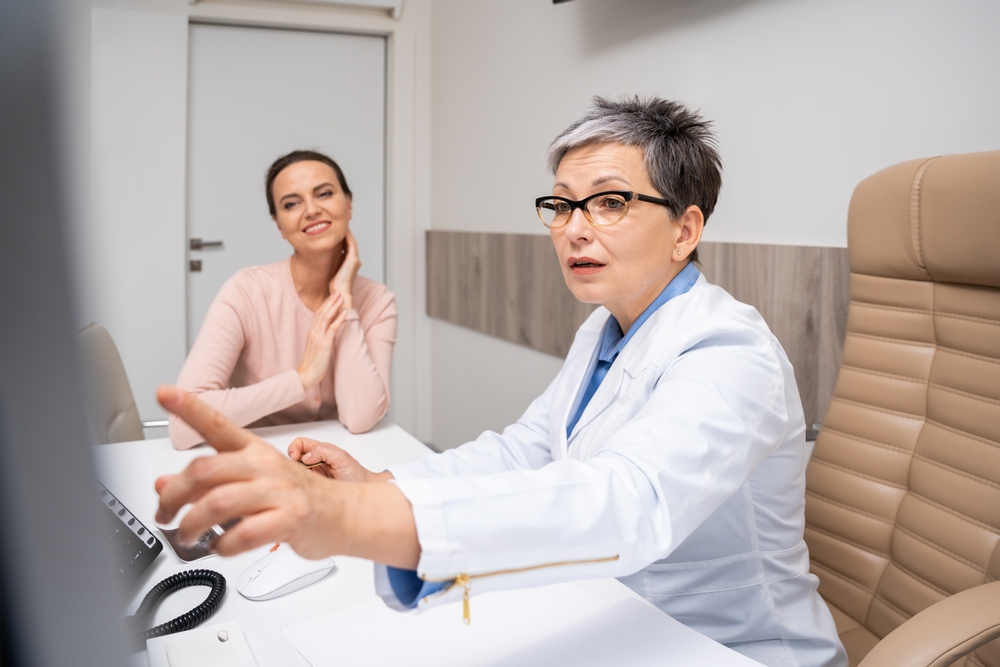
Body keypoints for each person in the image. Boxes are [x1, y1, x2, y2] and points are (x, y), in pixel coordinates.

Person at [155, 98, 847, 667]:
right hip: (617, 614)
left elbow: (629, 500)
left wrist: (348, 518)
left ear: (684, 229)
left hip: (728, 648)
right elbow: (525, 450)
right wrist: (377, 487)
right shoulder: (605, 329)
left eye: (608, 203)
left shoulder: (732, 352)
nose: (574, 229)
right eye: (563, 205)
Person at [168, 150, 396, 450]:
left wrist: (344, 298)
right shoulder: (246, 292)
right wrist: (301, 378)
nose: (312, 210)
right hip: (258, 459)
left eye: (324, 193)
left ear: (349, 204)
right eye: (291, 204)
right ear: (279, 225)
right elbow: (183, 425)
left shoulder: (378, 302)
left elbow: (361, 418)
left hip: (340, 462)